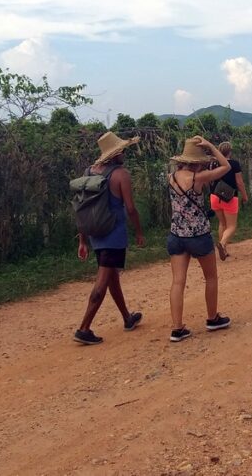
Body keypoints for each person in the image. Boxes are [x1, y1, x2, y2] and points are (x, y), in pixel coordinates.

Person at [73, 132, 146, 345]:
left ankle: (127, 318)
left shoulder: (89, 172)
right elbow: (130, 208)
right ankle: (84, 328)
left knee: (112, 276)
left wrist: (82, 240)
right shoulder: (121, 174)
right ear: (114, 154)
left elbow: (83, 210)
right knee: (103, 281)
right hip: (113, 235)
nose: (124, 153)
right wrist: (139, 232)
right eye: (121, 150)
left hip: (96, 233)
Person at [166, 136, 233, 342]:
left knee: (178, 282)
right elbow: (226, 166)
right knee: (211, 277)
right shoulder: (199, 178)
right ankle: (212, 318)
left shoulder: (172, 176)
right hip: (199, 235)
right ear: (198, 161)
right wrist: (212, 146)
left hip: (176, 235)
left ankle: (178, 328)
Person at [210, 141, 249, 260]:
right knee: (232, 226)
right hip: (229, 197)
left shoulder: (213, 164)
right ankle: (222, 244)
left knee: (222, 223)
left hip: (214, 196)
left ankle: (224, 250)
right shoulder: (234, 164)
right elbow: (239, 182)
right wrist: (245, 195)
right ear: (230, 152)